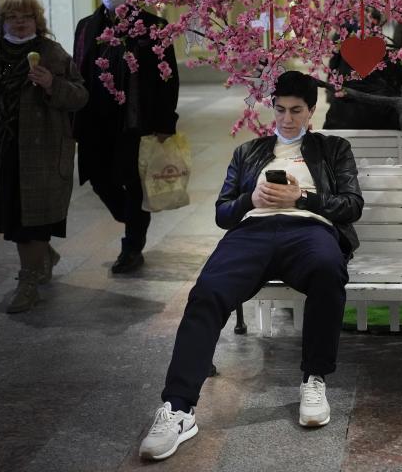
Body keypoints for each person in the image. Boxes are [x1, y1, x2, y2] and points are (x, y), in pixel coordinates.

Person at [138, 71, 363, 461]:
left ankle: (314, 378)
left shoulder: (334, 148)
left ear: (311, 111)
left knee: (329, 271)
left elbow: (352, 206)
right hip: (252, 232)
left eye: (296, 111)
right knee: (207, 291)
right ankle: (178, 408)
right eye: (280, 110)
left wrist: (302, 197)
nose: (287, 119)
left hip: (309, 231)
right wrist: (250, 200)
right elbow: (223, 213)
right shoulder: (249, 152)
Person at [0, 0, 88, 313]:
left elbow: (80, 95)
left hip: (41, 151)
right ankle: (43, 256)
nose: (20, 22)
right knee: (15, 215)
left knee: (29, 220)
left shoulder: (51, 52)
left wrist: (51, 84)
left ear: (37, 21)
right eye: (13, 17)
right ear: (1, 23)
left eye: (26, 17)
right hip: (1, 149)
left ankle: (28, 281)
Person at [73, 0, 180, 274]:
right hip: (96, 121)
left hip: (135, 122)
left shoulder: (155, 27)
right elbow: (78, 71)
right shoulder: (86, 26)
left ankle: (132, 247)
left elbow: (167, 79)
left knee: (134, 185)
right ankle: (130, 216)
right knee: (97, 178)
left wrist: (164, 123)